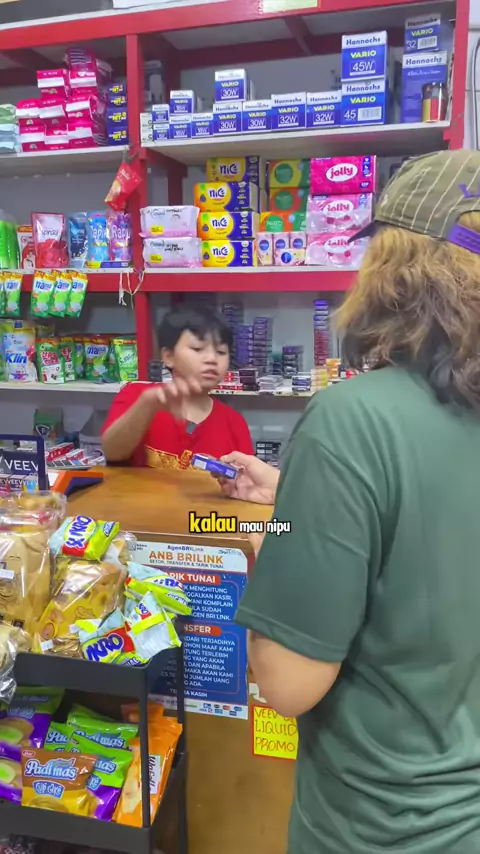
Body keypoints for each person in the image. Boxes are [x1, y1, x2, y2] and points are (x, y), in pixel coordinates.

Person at [223, 150, 480, 853]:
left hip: (387, 827)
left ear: (392, 270)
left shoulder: (353, 420)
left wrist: (275, 542)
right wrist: (305, 497)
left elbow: (288, 683)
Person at [102, 304, 253, 469]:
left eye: (221, 352)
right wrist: (146, 406)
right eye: (197, 348)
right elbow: (111, 453)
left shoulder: (234, 423)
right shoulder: (137, 396)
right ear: (169, 356)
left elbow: (244, 478)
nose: (212, 359)